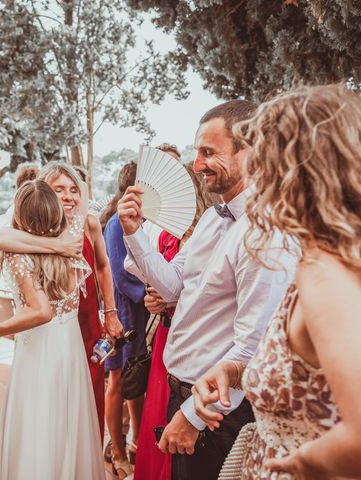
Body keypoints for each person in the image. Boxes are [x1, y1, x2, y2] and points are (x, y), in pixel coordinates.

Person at [191, 84, 361, 479]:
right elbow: (326, 374)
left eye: (264, 162)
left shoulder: (327, 275)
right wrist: (238, 370)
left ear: (297, 173)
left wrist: (304, 461)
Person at [118, 99, 297, 480]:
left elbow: (255, 347)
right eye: (197, 152)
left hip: (221, 414)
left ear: (250, 152)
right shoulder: (213, 221)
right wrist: (134, 234)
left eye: (208, 153)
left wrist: (193, 418)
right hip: (185, 393)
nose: (197, 165)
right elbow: (172, 287)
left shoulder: (266, 235)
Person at [0, 180, 105, 479]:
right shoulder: (71, 236)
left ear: (19, 214)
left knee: (38, 421)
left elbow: (41, 311)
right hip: (69, 347)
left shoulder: (19, 256)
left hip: (39, 349)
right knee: (66, 422)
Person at [0, 162, 125, 442]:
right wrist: (56, 246)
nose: (68, 196)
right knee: (53, 400)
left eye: (74, 190)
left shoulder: (87, 223)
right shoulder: (32, 228)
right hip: (52, 326)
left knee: (89, 393)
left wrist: (110, 313)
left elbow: (102, 266)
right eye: (59, 189)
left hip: (85, 319)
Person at [133, 157, 218, 480]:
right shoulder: (169, 237)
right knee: (159, 411)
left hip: (197, 340)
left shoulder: (211, 229)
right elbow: (167, 281)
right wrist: (154, 298)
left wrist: (171, 297)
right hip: (167, 335)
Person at [98, 162, 148, 479]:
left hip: (140, 310)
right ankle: (117, 448)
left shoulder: (142, 220)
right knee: (118, 380)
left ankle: (135, 441)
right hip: (124, 310)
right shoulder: (117, 223)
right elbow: (119, 274)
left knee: (136, 380)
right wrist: (151, 293)